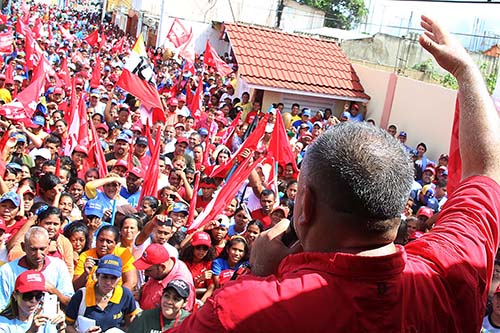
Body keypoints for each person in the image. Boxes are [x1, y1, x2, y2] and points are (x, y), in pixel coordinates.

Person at [169, 16, 500, 332]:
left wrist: (258, 275)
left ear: (305, 206)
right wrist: (467, 71)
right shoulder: (451, 270)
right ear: (396, 210)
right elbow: (486, 170)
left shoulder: (244, 312)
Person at [65, 255, 139, 333]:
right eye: (104, 277)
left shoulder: (125, 295)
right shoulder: (81, 295)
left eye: (113, 278)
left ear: (119, 278)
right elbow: (68, 325)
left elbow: (130, 321)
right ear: (97, 275)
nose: (108, 282)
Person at [134, 243, 195, 311]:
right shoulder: (161, 271)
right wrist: (141, 294)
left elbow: (183, 317)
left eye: (148, 270)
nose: (145, 273)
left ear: (162, 267)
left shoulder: (182, 283)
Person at [0, 270, 65, 333]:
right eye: (28, 296)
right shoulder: (3, 322)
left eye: (38, 296)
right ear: (15, 295)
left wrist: (61, 328)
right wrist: (31, 331)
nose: (33, 301)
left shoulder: (46, 317)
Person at [126, 279, 191, 332]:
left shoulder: (189, 321)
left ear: (185, 303)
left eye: (176, 299)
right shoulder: (143, 318)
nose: (169, 302)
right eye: (166, 296)